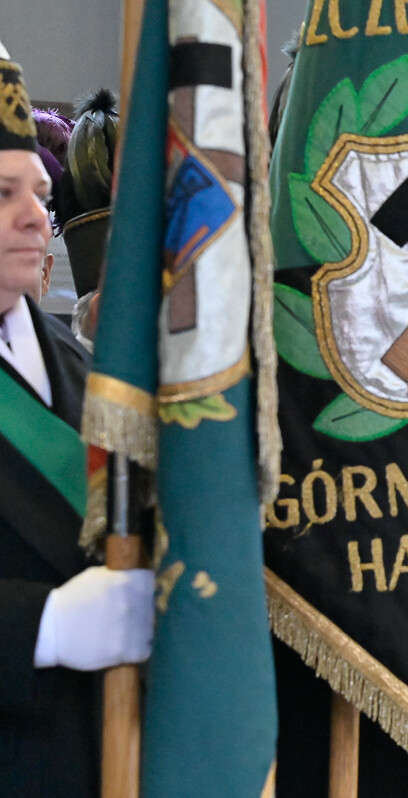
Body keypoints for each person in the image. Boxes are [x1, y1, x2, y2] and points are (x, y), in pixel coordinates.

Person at [0, 45, 154, 797]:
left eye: (39, 190)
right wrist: (43, 624)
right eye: (4, 193)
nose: (38, 217)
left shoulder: (82, 361)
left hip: (103, 754)